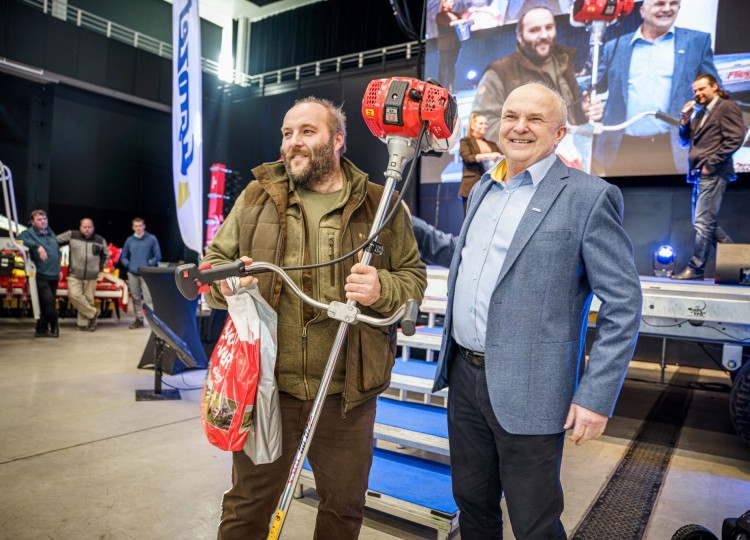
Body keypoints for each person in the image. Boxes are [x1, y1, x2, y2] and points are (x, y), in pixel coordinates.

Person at [411, 83, 642, 538]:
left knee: (534, 522)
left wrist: (595, 396)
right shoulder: (485, 188)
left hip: (532, 389)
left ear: (559, 134)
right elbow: (470, 257)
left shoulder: (588, 196)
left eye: (535, 119)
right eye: (511, 116)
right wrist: (410, 225)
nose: (519, 127)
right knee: (472, 506)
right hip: (465, 376)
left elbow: (624, 303)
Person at [201, 97, 426, 539]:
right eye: (287, 133)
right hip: (268, 388)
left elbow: (413, 279)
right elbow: (213, 264)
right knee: (247, 505)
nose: (294, 142)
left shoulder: (380, 203)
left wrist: (381, 289)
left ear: (338, 140)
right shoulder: (256, 197)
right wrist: (223, 284)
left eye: (307, 131)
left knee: (343, 507)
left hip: (347, 392)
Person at [591, 0, 720, 176]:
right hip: (622, 147)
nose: (667, 9)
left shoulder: (697, 43)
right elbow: (594, 86)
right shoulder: (615, 47)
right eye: (660, 4)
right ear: (642, 11)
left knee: (672, 194)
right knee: (622, 194)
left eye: (673, 3)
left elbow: (715, 92)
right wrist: (587, 101)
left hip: (674, 148)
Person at [471, 5, 599, 143]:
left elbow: (570, 117)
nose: (544, 35)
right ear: (520, 37)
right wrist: (529, 138)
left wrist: (583, 112)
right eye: (534, 30)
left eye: (549, 27)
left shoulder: (564, 62)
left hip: (569, 152)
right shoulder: (499, 73)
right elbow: (483, 125)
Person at [671, 74, 745, 280]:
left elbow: (736, 137)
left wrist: (710, 165)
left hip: (714, 172)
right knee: (703, 222)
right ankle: (739, 264)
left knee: (703, 222)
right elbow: (685, 142)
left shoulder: (726, 107)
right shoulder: (700, 113)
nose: (697, 93)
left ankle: (696, 269)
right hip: (699, 173)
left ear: (714, 87)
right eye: (695, 90)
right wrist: (685, 121)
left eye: (702, 89)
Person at [56, 218, 109, 331]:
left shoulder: (100, 240)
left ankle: (83, 324)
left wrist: (99, 268)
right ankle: (93, 313)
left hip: (92, 276)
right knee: (74, 295)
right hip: (74, 274)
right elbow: (54, 240)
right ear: (80, 227)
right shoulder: (72, 235)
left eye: (89, 227)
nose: (87, 229)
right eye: (84, 227)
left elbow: (106, 255)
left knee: (88, 300)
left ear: (93, 228)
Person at [19, 210, 61, 338]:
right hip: (41, 274)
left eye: (44, 219)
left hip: (54, 274)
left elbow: (56, 252)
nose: (43, 221)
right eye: (39, 219)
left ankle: (41, 329)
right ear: (32, 222)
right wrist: (37, 246)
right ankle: (54, 325)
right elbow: (18, 240)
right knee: (48, 302)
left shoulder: (50, 232)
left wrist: (59, 269)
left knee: (46, 303)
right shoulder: (29, 233)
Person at [120, 217, 161, 329]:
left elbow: (157, 256)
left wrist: (149, 264)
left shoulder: (151, 239)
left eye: (140, 225)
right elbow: (123, 256)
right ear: (133, 227)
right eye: (136, 226)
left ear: (144, 226)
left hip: (146, 274)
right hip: (132, 273)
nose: (138, 228)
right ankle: (139, 319)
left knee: (148, 298)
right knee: (135, 297)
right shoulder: (129, 240)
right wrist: (129, 265)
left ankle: (153, 321)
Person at [458, 112, 503, 213]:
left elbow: (501, 159)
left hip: (490, 186)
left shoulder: (492, 144)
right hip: (471, 185)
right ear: (473, 126)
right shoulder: (466, 141)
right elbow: (467, 158)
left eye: (486, 123)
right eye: (481, 123)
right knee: (470, 216)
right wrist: (489, 155)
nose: (484, 126)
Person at [436, 0, 463, 93]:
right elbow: (446, 25)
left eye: (453, 2)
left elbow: (462, 22)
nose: (453, 3)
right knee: (444, 66)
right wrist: (459, 21)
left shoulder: (456, 14)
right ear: (444, 3)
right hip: (445, 44)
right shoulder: (440, 15)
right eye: (450, 2)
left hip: (455, 44)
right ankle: (443, 87)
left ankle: (451, 86)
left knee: (452, 66)